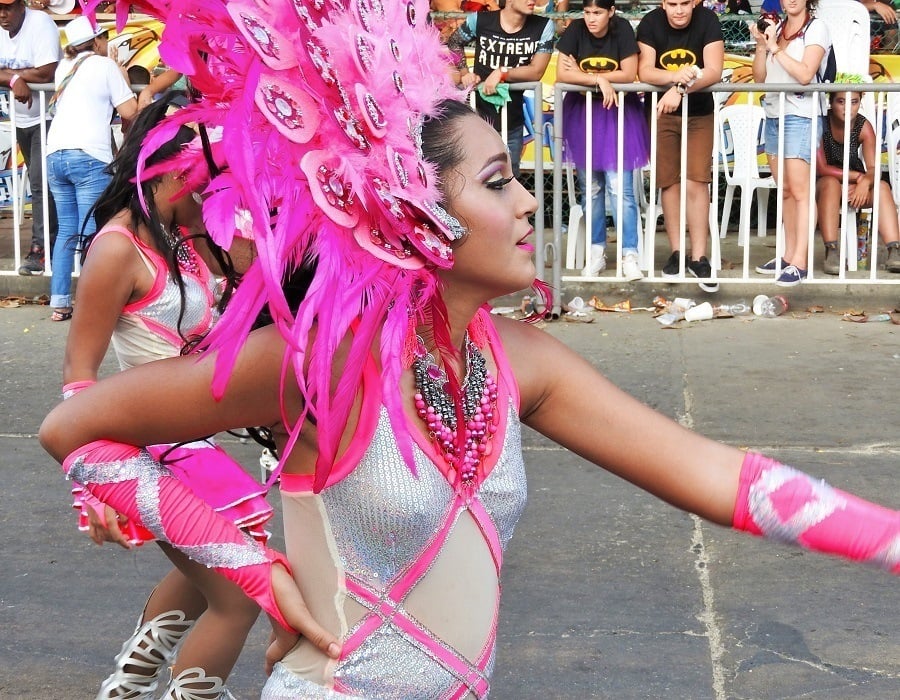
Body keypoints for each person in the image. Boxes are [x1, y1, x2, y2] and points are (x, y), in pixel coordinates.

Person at [42, 1, 899, 697]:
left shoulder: (521, 360)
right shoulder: (324, 359)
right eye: (498, 183)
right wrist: (259, 573)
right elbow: (76, 431)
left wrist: (890, 537)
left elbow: (723, 481)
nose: (529, 203)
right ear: (410, 214)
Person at [59, 93, 302, 699]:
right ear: (168, 174)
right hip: (151, 445)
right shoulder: (118, 250)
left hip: (191, 437)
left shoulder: (186, 243)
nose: (214, 203)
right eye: (206, 188)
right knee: (238, 595)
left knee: (208, 574)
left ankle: (130, 685)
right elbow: (78, 375)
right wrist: (90, 489)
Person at [44, 16, 138, 322]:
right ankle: (90, 305)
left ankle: (60, 303)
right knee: (90, 233)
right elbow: (130, 110)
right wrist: (121, 74)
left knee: (66, 232)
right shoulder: (105, 66)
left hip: (55, 154)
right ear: (97, 41)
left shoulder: (63, 69)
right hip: (88, 156)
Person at [555, 0, 649, 281]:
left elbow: (629, 73)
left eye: (597, 12)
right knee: (592, 188)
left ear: (611, 12)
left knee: (621, 188)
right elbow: (562, 73)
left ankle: (628, 254)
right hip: (584, 115)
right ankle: (596, 252)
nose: (591, 18)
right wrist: (599, 80)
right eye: (586, 12)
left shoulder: (622, 31)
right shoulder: (575, 31)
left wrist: (585, 76)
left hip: (618, 115)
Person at [636, 0, 724, 293]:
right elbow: (645, 71)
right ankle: (676, 252)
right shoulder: (650, 23)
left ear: (695, 2)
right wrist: (677, 76)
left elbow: (713, 70)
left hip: (699, 113)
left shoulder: (708, 20)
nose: (679, 10)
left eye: (685, 3)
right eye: (672, 3)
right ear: (663, 3)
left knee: (697, 182)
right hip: (662, 113)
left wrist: (680, 89)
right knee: (669, 183)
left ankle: (699, 256)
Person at [750, 0, 831, 286]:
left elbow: (806, 75)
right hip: (773, 113)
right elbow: (760, 78)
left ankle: (800, 260)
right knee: (784, 190)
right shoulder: (778, 27)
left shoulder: (816, 28)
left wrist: (775, 48)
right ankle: (787, 255)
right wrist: (762, 45)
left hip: (802, 115)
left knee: (800, 191)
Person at [447, 0, 554, 179]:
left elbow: (536, 71)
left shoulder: (544, 26)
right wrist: (465, 72)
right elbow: (454, 42)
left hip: (512, 121)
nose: (532, 1)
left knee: (509, 179)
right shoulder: (479, 20)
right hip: (476, 119)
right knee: (474, 177)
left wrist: (502, 73)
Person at [0, 0, 61, 276]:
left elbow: (46, 71)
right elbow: (31, 74)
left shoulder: (41, 24)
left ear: (22, 5)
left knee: (40, 184)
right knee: (39, 184)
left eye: (8, 7)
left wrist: (6, 76)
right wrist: (15, 81)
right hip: (22, 119)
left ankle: (41, 250)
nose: (3, 14)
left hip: (48, 117)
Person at [815, 79, 900, 274]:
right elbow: (822, 168)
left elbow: (872, 167)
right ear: (831, 102)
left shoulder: (863, 125)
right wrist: (858, 177)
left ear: (860, 101)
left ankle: (894, 250)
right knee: (830, 184)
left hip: (855, 188)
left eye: (853, 102)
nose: (848, 108)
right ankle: (832, 250)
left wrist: (866, 182)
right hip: (825, 185)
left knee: (882, 188)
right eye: (841, 102)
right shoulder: (822, 123)